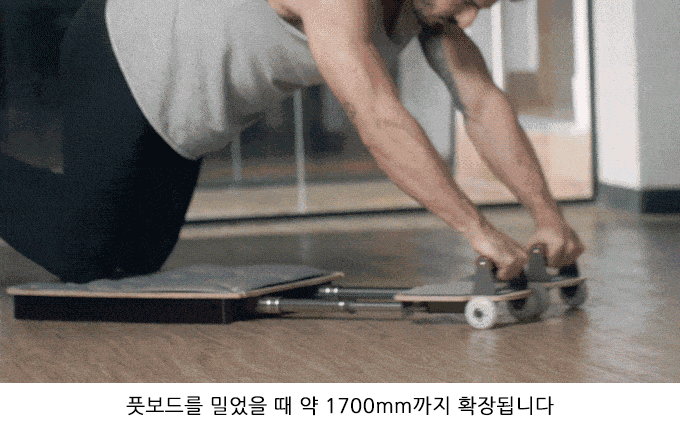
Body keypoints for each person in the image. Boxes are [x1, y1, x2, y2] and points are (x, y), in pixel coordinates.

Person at [0, 0, 584, 284]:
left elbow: (482, 103)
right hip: (126, 55)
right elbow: (375, 115)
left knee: (132, 264)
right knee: (85, 250)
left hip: (189, 111)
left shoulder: (429, 10)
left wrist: (548, 218)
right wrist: (476, 230)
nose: (470, 16)